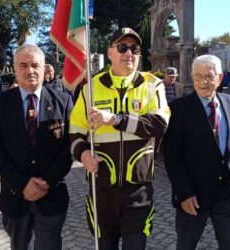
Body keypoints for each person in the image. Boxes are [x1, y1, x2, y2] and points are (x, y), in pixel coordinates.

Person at [69, 27, 170, 249]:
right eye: (122, 47)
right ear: (110, 53)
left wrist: (116, 119)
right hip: (101, 190)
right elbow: (75, 132)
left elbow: (159, 125)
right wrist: (83, 154)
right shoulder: (91, 89)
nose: (129, 54)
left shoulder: (153, 85)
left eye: (134, 49)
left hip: (138, 190)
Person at [163, 55, 230, 250]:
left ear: (220, 78)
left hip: (224, 194)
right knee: (186, 246)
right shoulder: (179, 109)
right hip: (193, 196)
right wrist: (184, 193)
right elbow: (172, 156)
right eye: (198, 77)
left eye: (209, 76)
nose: (203, 82)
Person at [0, 44, 73, 250]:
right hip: (15, 196)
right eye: (23, 65)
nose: (30, 70)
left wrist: (46, 181)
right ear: (15, 68)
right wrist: (22, 184)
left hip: (51, 195)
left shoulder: (63, 101)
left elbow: (69, 148)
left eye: (35, 65)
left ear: (44, 68)